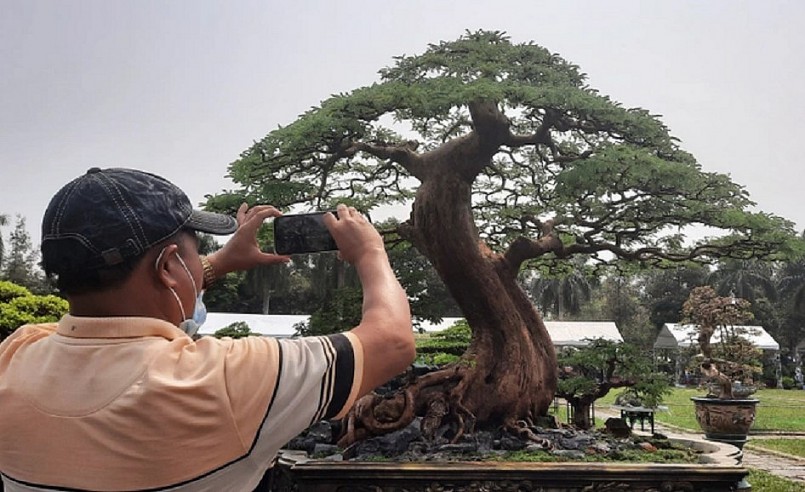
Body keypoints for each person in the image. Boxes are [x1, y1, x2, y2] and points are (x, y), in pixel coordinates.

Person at [0, 168, 415, 491]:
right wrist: (370, 252)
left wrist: (216, 264)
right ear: (168, 267)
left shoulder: (15, 356)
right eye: (196, 252)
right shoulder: (224, 380)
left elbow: (117, 311)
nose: (201, 264)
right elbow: (393, 340)